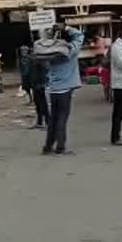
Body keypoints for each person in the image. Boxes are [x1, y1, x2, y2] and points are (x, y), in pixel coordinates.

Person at [43, 24, 84, 155]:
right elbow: (79, 36)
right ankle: (60, 147)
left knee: (53, 120)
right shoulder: (69, 50)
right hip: (65, 91)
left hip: (53, 90)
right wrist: (66, 27)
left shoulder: (50, 51)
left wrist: (52, 32)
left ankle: (48, 147)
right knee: (62, 119)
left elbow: (45, 41)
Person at [29, 54, 50, 129]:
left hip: (41, 86)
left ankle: (48, 123)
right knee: (37, 104)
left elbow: (46, 74)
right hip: (35, 85)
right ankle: (39, 122)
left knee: (43, 105)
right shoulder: (33, 63)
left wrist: (43, 84)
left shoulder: (42, 62)